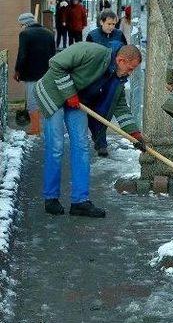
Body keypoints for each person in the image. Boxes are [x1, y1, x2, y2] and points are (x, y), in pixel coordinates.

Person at [35, 42, 146, 218]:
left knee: (81, 146)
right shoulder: (92, 53)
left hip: (78, 101)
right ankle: (51, 198)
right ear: (120, 60)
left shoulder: (117, 78)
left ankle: (80, 202)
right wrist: (69, 93)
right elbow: (56, 64)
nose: (130, 73)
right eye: (130, 69)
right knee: (56, 147)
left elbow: (121, 107)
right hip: (53, 94)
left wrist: (135, 134)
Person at [85, 9, 129, 157]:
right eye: (109, 23)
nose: (111, 27)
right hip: (95, 78)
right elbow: (87, 57)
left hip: (112, 79)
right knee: (92, 111)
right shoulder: (93, 36)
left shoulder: (118, 35)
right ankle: (97, 138)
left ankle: (101, 144)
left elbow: (125, 54)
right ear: (101, 22)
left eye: (114, 24)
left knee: (104, 111)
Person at [14, 13, 56, 136]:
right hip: (47, 72)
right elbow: (53, 54)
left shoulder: (25, 34)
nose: (21, 27)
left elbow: (22, 54)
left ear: (25, 23)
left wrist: (18, 70)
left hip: (31, 72)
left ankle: (35, 128)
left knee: (32, 101)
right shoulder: (49, 33)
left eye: (21, 24)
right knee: (46, 100)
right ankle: (49, 127)